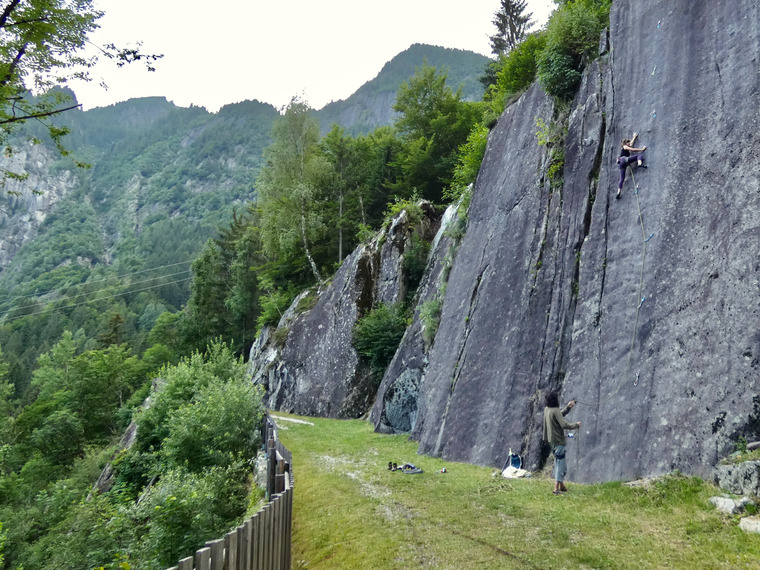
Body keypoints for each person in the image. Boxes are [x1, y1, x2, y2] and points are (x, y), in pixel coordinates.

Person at [542, 391, 580, 495]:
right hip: (559, 441)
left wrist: (568, 407)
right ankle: (556, 489)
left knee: (558, 462)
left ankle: (561, 486)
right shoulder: (555, 410)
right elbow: (563, 424)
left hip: (551, 440)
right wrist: (576, 425)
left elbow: (558, 415)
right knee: (561, 466)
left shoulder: (547, 409)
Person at [616, 132, 647, 199]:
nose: (629, 144)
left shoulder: (624, 148)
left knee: (622, 178)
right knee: (639, 155)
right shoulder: (625, 146)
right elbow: (633, 149)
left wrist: (634, 137)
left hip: (622, 164)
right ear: (625, 143)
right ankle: (639, 164)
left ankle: (618, 192)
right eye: (628, 143)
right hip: (624, 160)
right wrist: (642, 149)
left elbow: (631, 144)